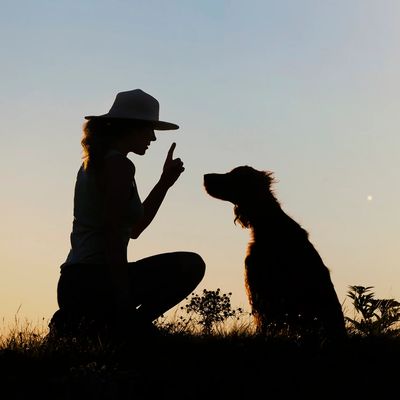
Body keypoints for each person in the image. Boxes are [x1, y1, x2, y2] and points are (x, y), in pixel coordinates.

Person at [50, 89, 206, 341]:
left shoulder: (100, 162)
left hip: (78, 281)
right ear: (130, 128)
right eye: (149, 129)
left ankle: (96, 323)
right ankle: (125, 326)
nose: (153, 138)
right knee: (191, 265)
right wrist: (123, 300)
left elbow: (134, 229)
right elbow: (113, 237)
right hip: (94, 279)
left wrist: (164, 183)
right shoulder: (119, 165)